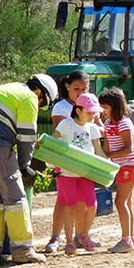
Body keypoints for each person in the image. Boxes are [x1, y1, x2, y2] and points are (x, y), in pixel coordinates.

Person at [0, 74, 58, 266]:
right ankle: (23, 251)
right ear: (39, 91)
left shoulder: (4, 90)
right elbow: (27, 135)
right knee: (15, 198)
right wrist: (24, 166)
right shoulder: (28, 97)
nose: (39, 105)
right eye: (42, 102)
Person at [44, 70, 99, 253]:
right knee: (65, 202)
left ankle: (80, 236)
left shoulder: (89, 106)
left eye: (84, 89)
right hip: (66, 164)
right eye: (77, 89)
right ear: (68, 87)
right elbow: (60, 137)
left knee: (83, 203)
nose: (80, 93)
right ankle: (57, 237)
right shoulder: (61, 108)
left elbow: (95, 131)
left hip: (83, 166)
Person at [51, 93, 107, 254]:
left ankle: (84, 235)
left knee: (92, 204)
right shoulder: (66, 125)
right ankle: (69, 242)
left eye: (95, 113)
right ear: (79, 110)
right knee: (71, 206)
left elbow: (98, 151)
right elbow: (52, 141)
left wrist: (109, 166)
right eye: (90, 112)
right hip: (67, 174)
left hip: (85, 173)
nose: (93, 116)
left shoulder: (93, 128)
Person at [99, 87, 134, 253]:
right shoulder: (108, 124)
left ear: (114, 107)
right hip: (122, 167)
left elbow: (128, 149)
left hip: (129, 166)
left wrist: (110, 155)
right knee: (127, 203)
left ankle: (126, 240)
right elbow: (107, 147)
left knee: (120, 202)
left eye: (105, 107)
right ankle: (130, 238)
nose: (102, 110)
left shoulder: (124, 124)